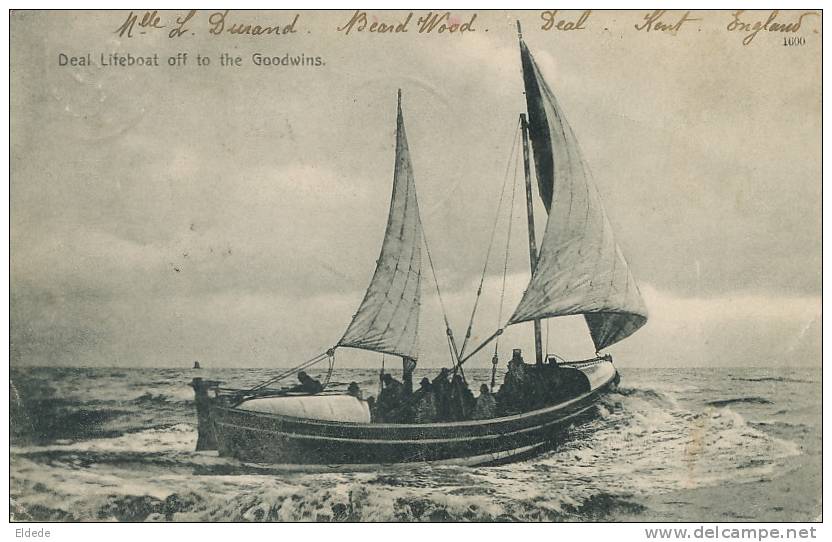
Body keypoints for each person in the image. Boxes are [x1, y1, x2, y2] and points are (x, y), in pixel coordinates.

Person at [496, 349, 530, 414]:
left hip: (519, 391)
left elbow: (522, 379)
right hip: (512, 390)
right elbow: (506, 386)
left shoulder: (521, 369)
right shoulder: (509, 375)